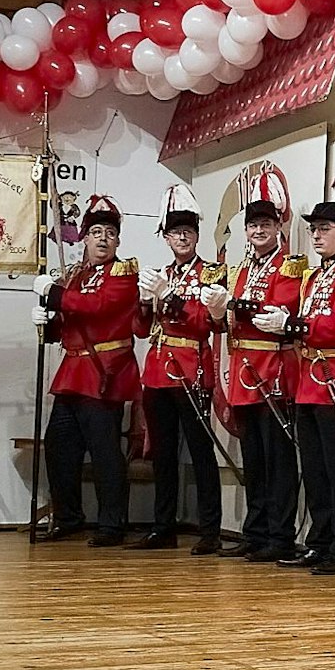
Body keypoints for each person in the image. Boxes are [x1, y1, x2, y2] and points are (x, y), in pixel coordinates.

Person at [255, 180, 335, 576]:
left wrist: (293, 325)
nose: (317, 235)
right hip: (310, 380)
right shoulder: (313, 276)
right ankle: (319, 542)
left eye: (324, 229)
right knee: (316, 471)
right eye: (314, 229)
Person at [207, 168, 307, 562]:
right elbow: (228, 320)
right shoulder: (242, 270)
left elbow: (280, 304)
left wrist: (232, 306)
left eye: (265, 223)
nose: (258, 230)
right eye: (252, 225)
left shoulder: (290, 265)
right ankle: (256, 530)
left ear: (278, 227)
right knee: (254, 459)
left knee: (278, 460)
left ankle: (279, 536)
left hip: (274, 372)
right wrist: (219, 312)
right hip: (245, 371)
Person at [33, 195, 140, 546]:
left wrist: (55, 295)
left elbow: (98, 307)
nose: (103, 238)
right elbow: (68, 324)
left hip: (103, 373)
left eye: (110, 232)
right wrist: (47, 322)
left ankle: (112, 524)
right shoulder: (75, 276)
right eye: (96, 232)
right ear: (85, 239)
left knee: (105, 453)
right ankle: (69, 517)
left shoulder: (123, 274)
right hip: (72, 373)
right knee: (58, 447)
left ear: (118, 241)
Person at [130, 186, 227, 554]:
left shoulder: (211, 274)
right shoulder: (159, 273)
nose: (182, 237)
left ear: (197, 236)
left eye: (188, 231)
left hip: (190, 369)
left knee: (201, 452)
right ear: (166, 237)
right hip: (157, 371)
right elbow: (141, 329)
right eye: (174, 232)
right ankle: (163, 525)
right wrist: (143, 300)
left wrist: (170, 296)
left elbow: (204, 324)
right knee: (163, 454)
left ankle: (210, 530)